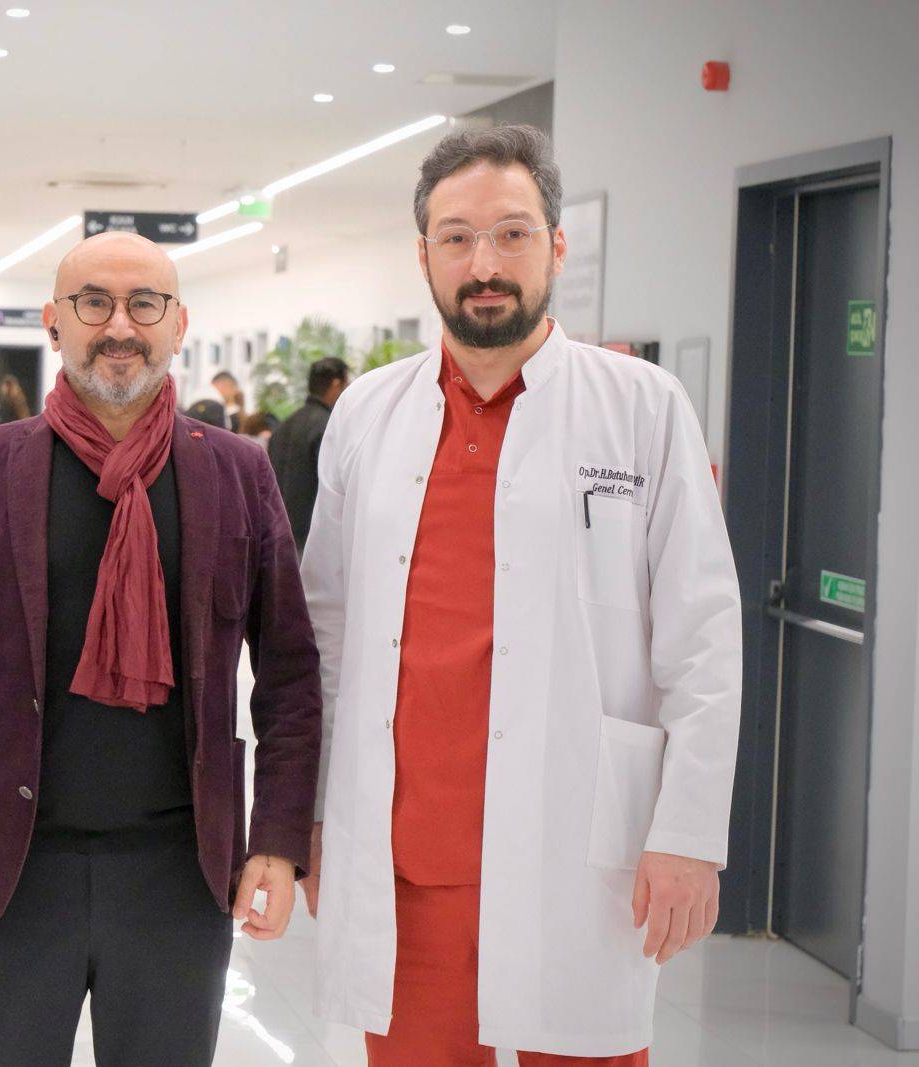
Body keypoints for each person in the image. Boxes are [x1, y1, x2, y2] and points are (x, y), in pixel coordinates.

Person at [302, 124, 741, 1065]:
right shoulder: (367, 413)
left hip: (578, 854)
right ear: (424, 255)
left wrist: (690, 831)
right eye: (457, 237)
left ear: (558, 246)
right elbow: (324, 635)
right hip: (406, 860)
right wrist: (311, 815)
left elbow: (704, 638)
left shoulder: (643, 406)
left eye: (511, 233)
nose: (484, 264)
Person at [0, 231, 322, 1066]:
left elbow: (291, 674)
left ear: (177, 322)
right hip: (7, 874)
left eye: (144, 303)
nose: (120, 325)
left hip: (180, 876)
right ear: (54, 321)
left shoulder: (237, 473)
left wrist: (278, 837)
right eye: (94, 303)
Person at [268, 356, 349, 552]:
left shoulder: (283, 426)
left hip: (278, 535)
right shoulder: (328, 427)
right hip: (314, 540)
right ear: (336, 385)